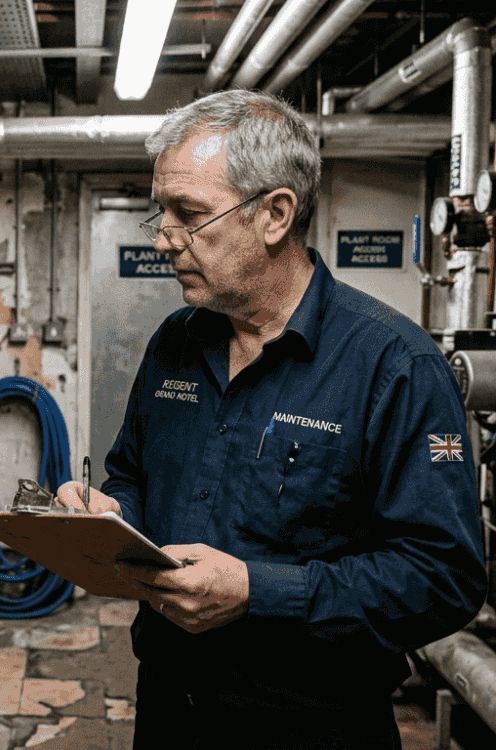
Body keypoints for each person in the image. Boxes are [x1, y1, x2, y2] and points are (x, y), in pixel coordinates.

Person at [57, 89, 486, 749]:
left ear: (275, 214)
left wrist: (260, 590)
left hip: (311, 726)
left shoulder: (395, 367)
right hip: (169, 706)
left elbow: (442, 579)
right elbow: (133, 473)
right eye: (160, 211)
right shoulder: (175, 340)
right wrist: (111, 516)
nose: (165, 239)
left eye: (189, 213)